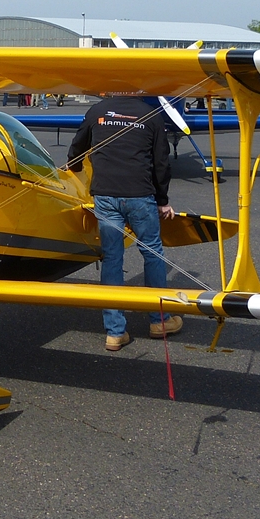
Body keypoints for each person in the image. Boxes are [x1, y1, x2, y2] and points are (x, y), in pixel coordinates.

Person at [67, 96, 177, 351]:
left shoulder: (97, 110)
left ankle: (115, 332)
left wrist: (74, 165)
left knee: (112, 258)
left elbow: (77, 148)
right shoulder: (151, 114)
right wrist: (162, 200)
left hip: (105, 195)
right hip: (140, 195)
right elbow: (161, 162)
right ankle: (159, 321)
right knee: (152, 252)